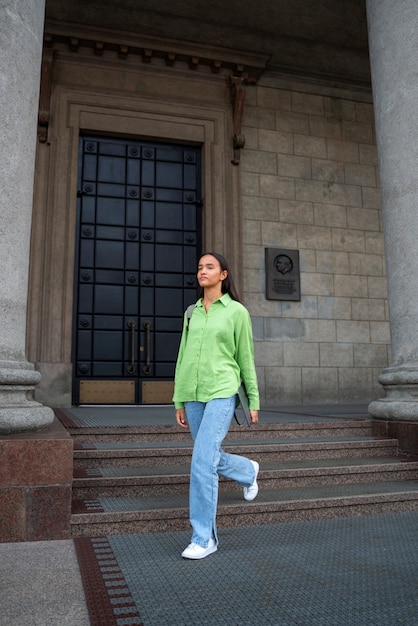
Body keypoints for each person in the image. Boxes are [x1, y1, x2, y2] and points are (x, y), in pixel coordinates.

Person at [173, 252, 260, 560]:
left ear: (223, 274)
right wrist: (178, 399)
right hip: (193, 394)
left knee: (201, 461)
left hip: (223, 391)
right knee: (206, 457)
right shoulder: (191, 312)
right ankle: (247, 470)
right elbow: (183, 357)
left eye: (209, 267)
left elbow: (245, 358)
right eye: (199, 267)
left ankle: (204, 537)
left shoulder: (237, 312)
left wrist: (253, 399)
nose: (202, 271)